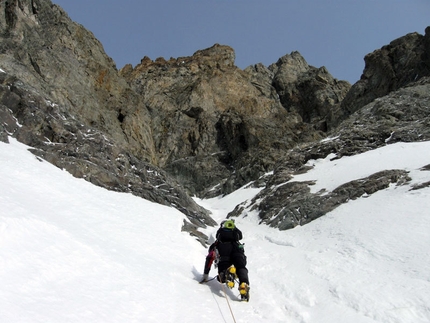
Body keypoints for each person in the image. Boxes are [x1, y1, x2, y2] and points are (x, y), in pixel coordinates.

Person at [200, 219, 250, 300]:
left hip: (223, 256)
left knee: (221, 276)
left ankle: (227, 273)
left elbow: (209, 258)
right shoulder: (237, 243)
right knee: (241, 267)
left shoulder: (216, 244)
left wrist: (205, 275)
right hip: (238, 252)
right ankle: (244, 284)